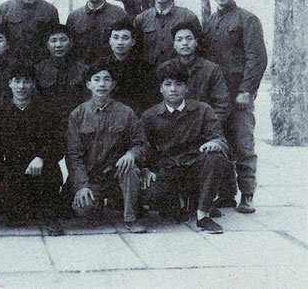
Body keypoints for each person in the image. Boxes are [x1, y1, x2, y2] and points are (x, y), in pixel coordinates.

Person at [203, 0, 267, 213]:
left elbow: (257, 58)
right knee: (220, 143)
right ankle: (226, 194)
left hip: (238, 94)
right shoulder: (210, 22)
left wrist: (246, 90)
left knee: (243, 144)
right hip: (216, 97)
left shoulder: (247, 19)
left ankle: (247, 195)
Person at [140, 63, 230, 234]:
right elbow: (143, 146)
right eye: (168, 84)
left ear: (186, 88)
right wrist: (145, 168)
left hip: (195, 167)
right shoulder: (150, 116)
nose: (173, 89)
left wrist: (215, 143)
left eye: (178, 84)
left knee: (215, 157)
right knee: (152, 195)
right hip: (168, 170)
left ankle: (202, 215)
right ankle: (181, 204)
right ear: (160, 89)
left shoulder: (202, 110)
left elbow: (219, 138)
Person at [0, 63, 66, 235]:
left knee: (50, 179)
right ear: (10, 83)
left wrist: (41, 157)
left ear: (33, 84)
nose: (21, 86)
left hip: (40, 167)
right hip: (13, 169)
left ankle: (48, 215)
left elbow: (58, 142)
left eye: (26, 82)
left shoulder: (46, 111)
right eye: (17, 81)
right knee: (12, 217)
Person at [67, 62, 148, 233]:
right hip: (91, 177)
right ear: (88, 84)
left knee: (131, 169)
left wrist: (131, 154)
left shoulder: (126, 113)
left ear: (113, 84)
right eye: (96, 79)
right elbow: (74, 156)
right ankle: (99, 205)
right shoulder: (77, 114)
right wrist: (82, 185)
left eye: (106, 79)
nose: (102, 84)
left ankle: (130, 218)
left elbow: (141, 143)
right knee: (84, 208)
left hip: (117, 175)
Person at [158, 22, 230, 125]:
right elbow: (156, 104)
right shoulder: (165, 68)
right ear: (174, 45)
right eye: (179, 40)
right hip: (172, 126)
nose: (185, 43)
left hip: (204, 126)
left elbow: (222, 105)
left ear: (196, 42)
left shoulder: (212, 69)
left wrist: (209, 126)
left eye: (189, 39)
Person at [133, 0, 200, 66]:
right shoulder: (141, 19)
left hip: (180, 73)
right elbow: (135, 50)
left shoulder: (188, 17)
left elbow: (199, 50)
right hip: (149, 73)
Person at [65, 0, 129, 64]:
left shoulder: (119, 14)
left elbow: (127, 45)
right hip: (81, 69)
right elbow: (69, 48)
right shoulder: (74, 17)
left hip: (111, 68)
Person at [34, 24, 89, 129]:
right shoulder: (38, 70)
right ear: (47, 45)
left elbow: (87, 102)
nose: (58, 45)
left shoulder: (83, 70)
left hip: (76, 124)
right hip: (46, 124)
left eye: (63, 40)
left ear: (71, 43)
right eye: (53, 40)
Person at [105, 19, 158, 115]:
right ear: (110, 41)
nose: (120, 42)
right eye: (116, 38)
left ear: (133, 42)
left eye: (125, 38)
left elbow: (149, 100)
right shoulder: (100, 66)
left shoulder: (144, 68)